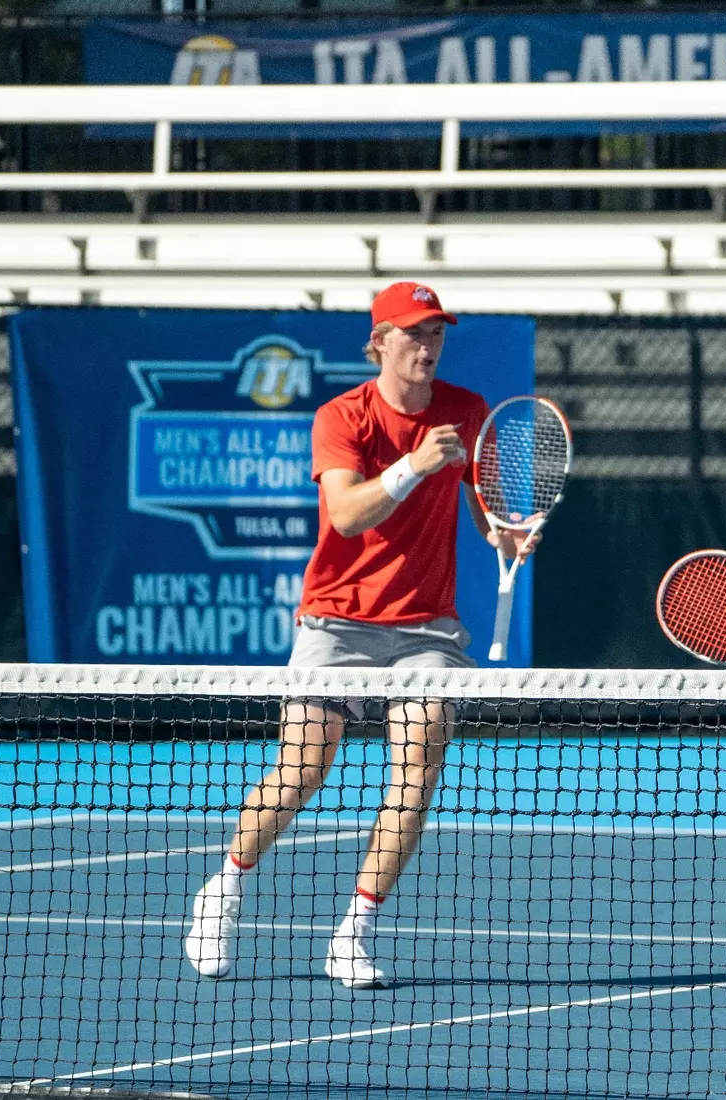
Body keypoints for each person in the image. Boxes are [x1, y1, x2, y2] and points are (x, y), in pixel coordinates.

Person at [183, 280, 534, 988]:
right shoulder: (342, 417)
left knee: (416, 772)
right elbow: (346, 515)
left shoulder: (465, 412)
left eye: (436, 333)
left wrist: (501, 530)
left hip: (427, 631)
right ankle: (221, 892)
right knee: (302, 772)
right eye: (413, 333)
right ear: (379, 343)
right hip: (336, 619)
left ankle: (354, 930)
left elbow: (479, 505)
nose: (427, 346)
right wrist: (412, 465)